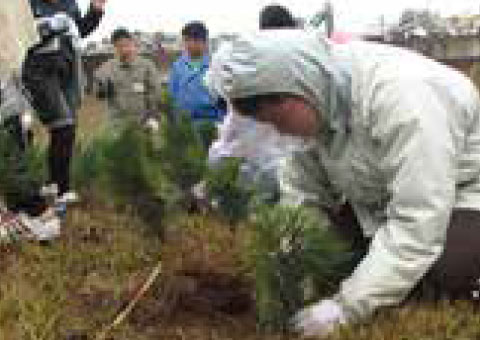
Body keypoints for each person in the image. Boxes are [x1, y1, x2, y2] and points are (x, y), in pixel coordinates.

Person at [207, 30, 480, 337]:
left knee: (438, 272)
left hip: (462, 195)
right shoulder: (317, 100)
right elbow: (303, 197)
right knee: (335, 259)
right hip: (379, 200)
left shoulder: (406, 103)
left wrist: (346, 307)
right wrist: (295, 263)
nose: (280, 134)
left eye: (279, 121)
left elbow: (418, 221)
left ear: (297, 91)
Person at [22, 0, 107, 204]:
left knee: (66, 130)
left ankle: (54, 184)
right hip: (38, 71)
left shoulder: (70, 3)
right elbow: (21, 35)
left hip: (67, 70)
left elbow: (79, 30)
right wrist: (48, 26)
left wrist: (95, 12)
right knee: (61, 126)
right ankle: (58, 187)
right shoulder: (27, 4)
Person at [169, 21, 226, 148]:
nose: (190, 44)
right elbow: (172, 95)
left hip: (212, 123)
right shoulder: (178, 65)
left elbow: (225, 97)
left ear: (205, 42)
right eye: (187, 40)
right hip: (185, 125)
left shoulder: (215, 65)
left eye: (195, 40)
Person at [95, 28, 162, 131]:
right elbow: (99, 94)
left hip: (143, 123)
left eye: (127, 45)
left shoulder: (147, 66)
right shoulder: (106, 69)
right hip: (117, 124)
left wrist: (153, 117)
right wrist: (102, 89)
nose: (124, 49)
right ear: (114, 47)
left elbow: (155, 92)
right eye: (119, 46)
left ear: (133, 44)